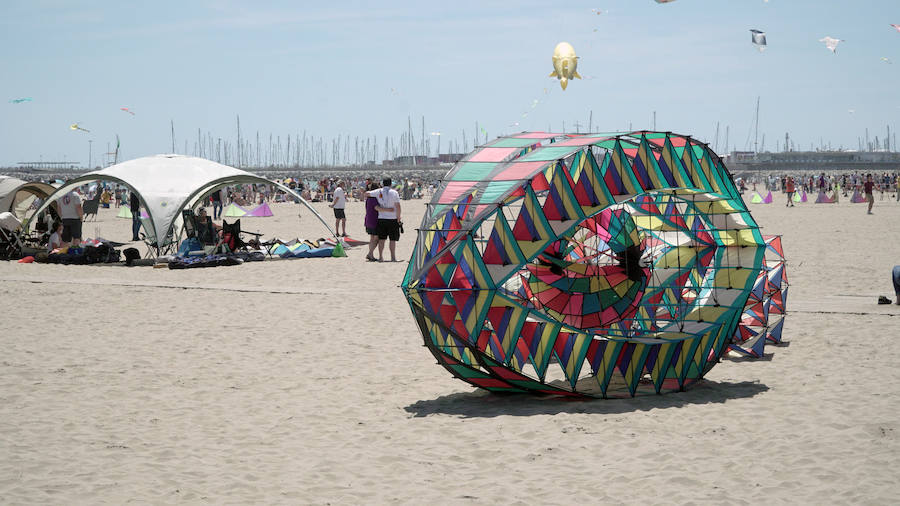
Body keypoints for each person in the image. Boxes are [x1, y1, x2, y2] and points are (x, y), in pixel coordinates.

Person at [367, 176, 402, 262]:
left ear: (383, 183)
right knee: (392, 240)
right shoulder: (394, 193)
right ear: (390, 184)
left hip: (382, 218)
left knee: (382, 239)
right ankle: (393, 257)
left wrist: (377, 200)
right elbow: (398, 206)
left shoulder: (378, 191)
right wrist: (398, 217)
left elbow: (367, 193)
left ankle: (380, 257)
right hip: (392, 218)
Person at [363, 182, 380, 261]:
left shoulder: (369, 198)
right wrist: (388, 210)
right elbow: (376, 208)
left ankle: (371, 254)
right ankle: (370, 253)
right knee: (377, 238)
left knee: (372, 238)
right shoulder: (374, 198)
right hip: (374, 220)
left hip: (368, 219)